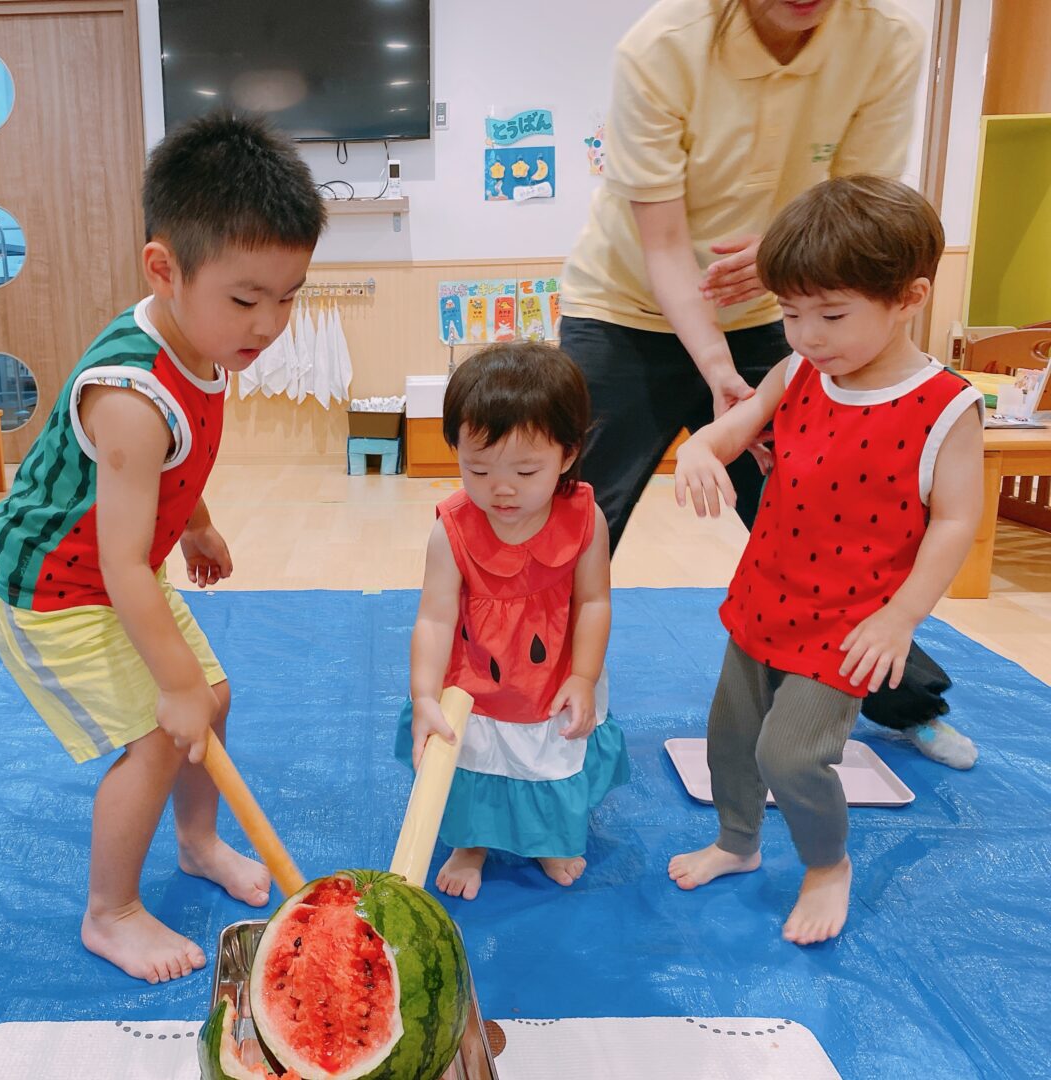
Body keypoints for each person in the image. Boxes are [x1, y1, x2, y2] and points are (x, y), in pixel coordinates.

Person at [558, 0, 976, 769]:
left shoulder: (886, 41)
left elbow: (858, 206)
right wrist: (723, 375)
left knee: (825, 518)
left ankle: (904, 700)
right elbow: (667, 241)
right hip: (626, 306)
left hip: (792, 308)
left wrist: (792, 259)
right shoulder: (662, 45)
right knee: (576, 521)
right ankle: (545, 697)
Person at [0, 113, 326, 984]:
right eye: (246, 299)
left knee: (213, 697)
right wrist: (169, 693)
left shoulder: (197, 336)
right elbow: (123, 558)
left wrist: (198, 520)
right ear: (164, 269)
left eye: (289, 297)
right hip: (54, 590)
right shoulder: (131, 397)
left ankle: (200, 842)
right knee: (159, 735)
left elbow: (177, 459)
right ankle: (112, 912)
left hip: (115, 565)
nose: (269, 324)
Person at [668, 176, 983, 944]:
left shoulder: (945, 406)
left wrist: (901, 619)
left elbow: (955, 521)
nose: (806, 334)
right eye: (789, 313)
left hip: (851, 625)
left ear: (908, 297)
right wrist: (699, 452)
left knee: (792, 753)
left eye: (831, 315)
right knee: (729, 739)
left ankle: (826, 865)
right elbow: (732, 429)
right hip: (767, 596)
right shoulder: (799, 372)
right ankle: (738, 843)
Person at [399, 342, 630, 901]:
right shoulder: (452, 527)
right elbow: (433, 617)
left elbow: (594, 601)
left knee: (547, 760)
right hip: (474, 680)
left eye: (526, 470)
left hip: (550, 676)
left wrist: (582, 677)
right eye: (476, 468)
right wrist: (425, 695)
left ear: (568, 454)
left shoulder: (585, 519)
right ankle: (470, 844)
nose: (500, 489)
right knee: (473, 759)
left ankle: (546, 838)